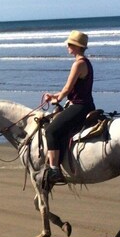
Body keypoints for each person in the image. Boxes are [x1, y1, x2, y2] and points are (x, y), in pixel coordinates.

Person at [40, 30, 95, 189]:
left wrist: (58, 98)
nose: (67, 46)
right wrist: (55, 96)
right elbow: (73, 90)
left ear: (77, 47)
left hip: (79, 107)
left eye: (70, 44)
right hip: (85, 104)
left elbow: (67, 88)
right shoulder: (86, 62)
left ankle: (54, 170)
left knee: (50, 131)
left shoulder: (78, 64)